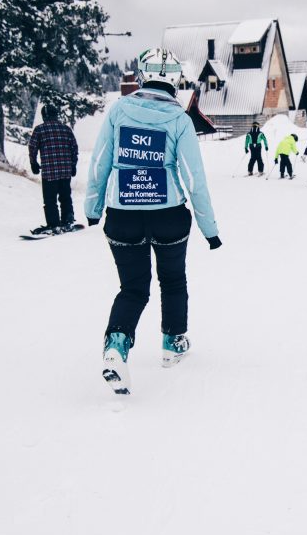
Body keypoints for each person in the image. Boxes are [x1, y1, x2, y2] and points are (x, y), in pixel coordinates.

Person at [85, 47, 222, 395]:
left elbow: (101, 161)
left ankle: (116, 347)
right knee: (173, 280)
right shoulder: (178, 120)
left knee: (133, 288)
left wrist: (93, 207)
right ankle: (172, 344)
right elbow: (194, 179)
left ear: (144, 75)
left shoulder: (118, 111)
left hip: (123, 215)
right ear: (174, 79)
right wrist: (210, 231)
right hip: (169, 217)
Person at [28, 103, 79, 233]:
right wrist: (73, 165)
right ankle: (68, 220)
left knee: (50, 200)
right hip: (65, 170)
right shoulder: (66, 129)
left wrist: (33, 163)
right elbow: (74, 148)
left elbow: (32, 147)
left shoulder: (39, 130)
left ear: (44, 116)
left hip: (49, 172)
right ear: (56, 114)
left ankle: (54, 224)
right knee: (65, 196)